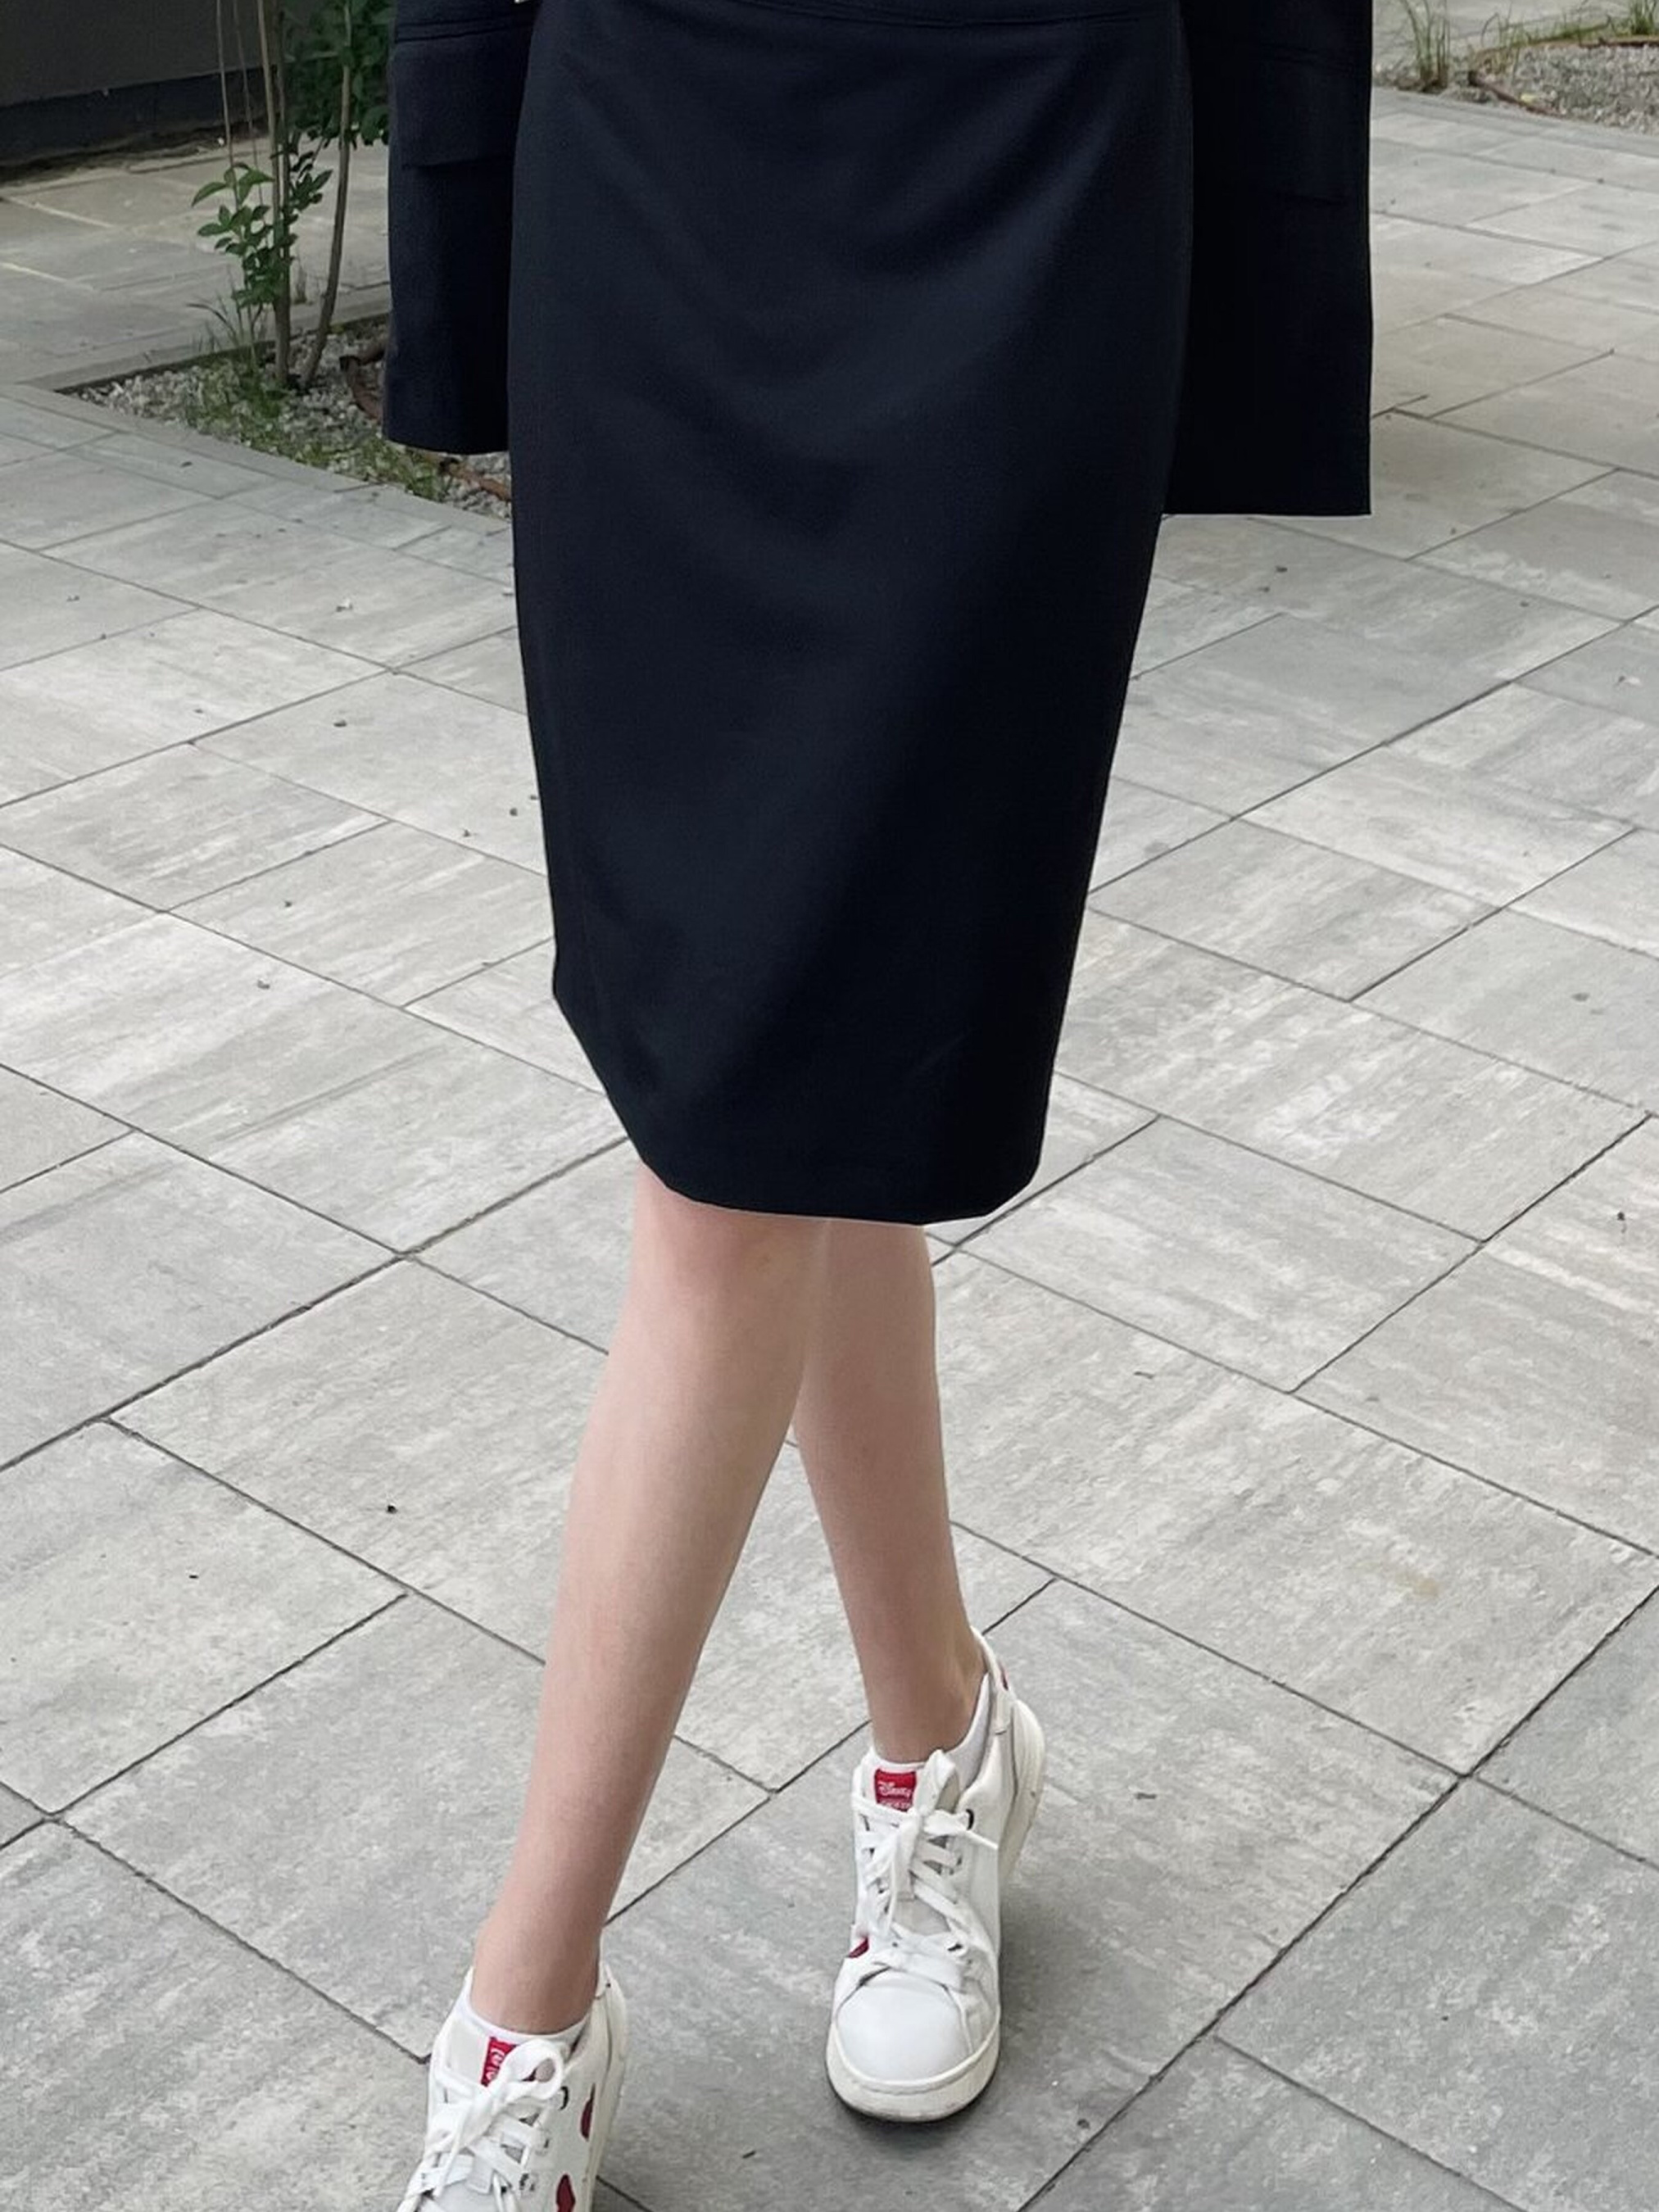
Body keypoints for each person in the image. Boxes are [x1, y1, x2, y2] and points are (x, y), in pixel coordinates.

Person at [378, 0, 1374, 2203]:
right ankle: (935, 1733)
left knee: (773, 1109)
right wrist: (461, 212)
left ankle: (526, 2007)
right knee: (771, 1097)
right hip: (651, 173)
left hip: (1017, 159)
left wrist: (1270, 240)